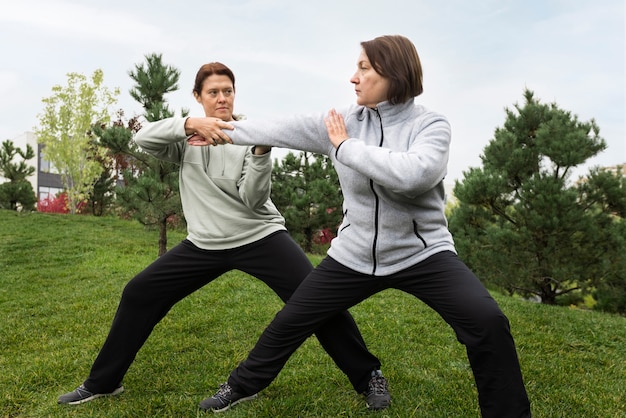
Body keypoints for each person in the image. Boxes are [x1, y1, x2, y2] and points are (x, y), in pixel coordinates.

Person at [185, 36, 532, 417]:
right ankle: (241, 385)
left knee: (488, 321)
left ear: (394, 73)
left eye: (364, 68)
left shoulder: (430, 125)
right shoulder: (343, 122)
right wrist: (218, 129)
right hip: (354, 253)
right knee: (291, 320)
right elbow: (277, 128)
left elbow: (414, 175)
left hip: (422, 254)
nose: (354, 77)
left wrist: (345, 148)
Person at [57, 62, 391, 412]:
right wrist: (188, 124)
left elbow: (253, 198)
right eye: (213, 92)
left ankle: (368, 376)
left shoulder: (248, 132)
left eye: (227, 91)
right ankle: (103, 382)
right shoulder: (186, 139)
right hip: (204, 243)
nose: (222, 98)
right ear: (198, 97)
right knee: (139, 293)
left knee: (315, 301)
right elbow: (141, 139)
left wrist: (261, 152)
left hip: (260, 235)